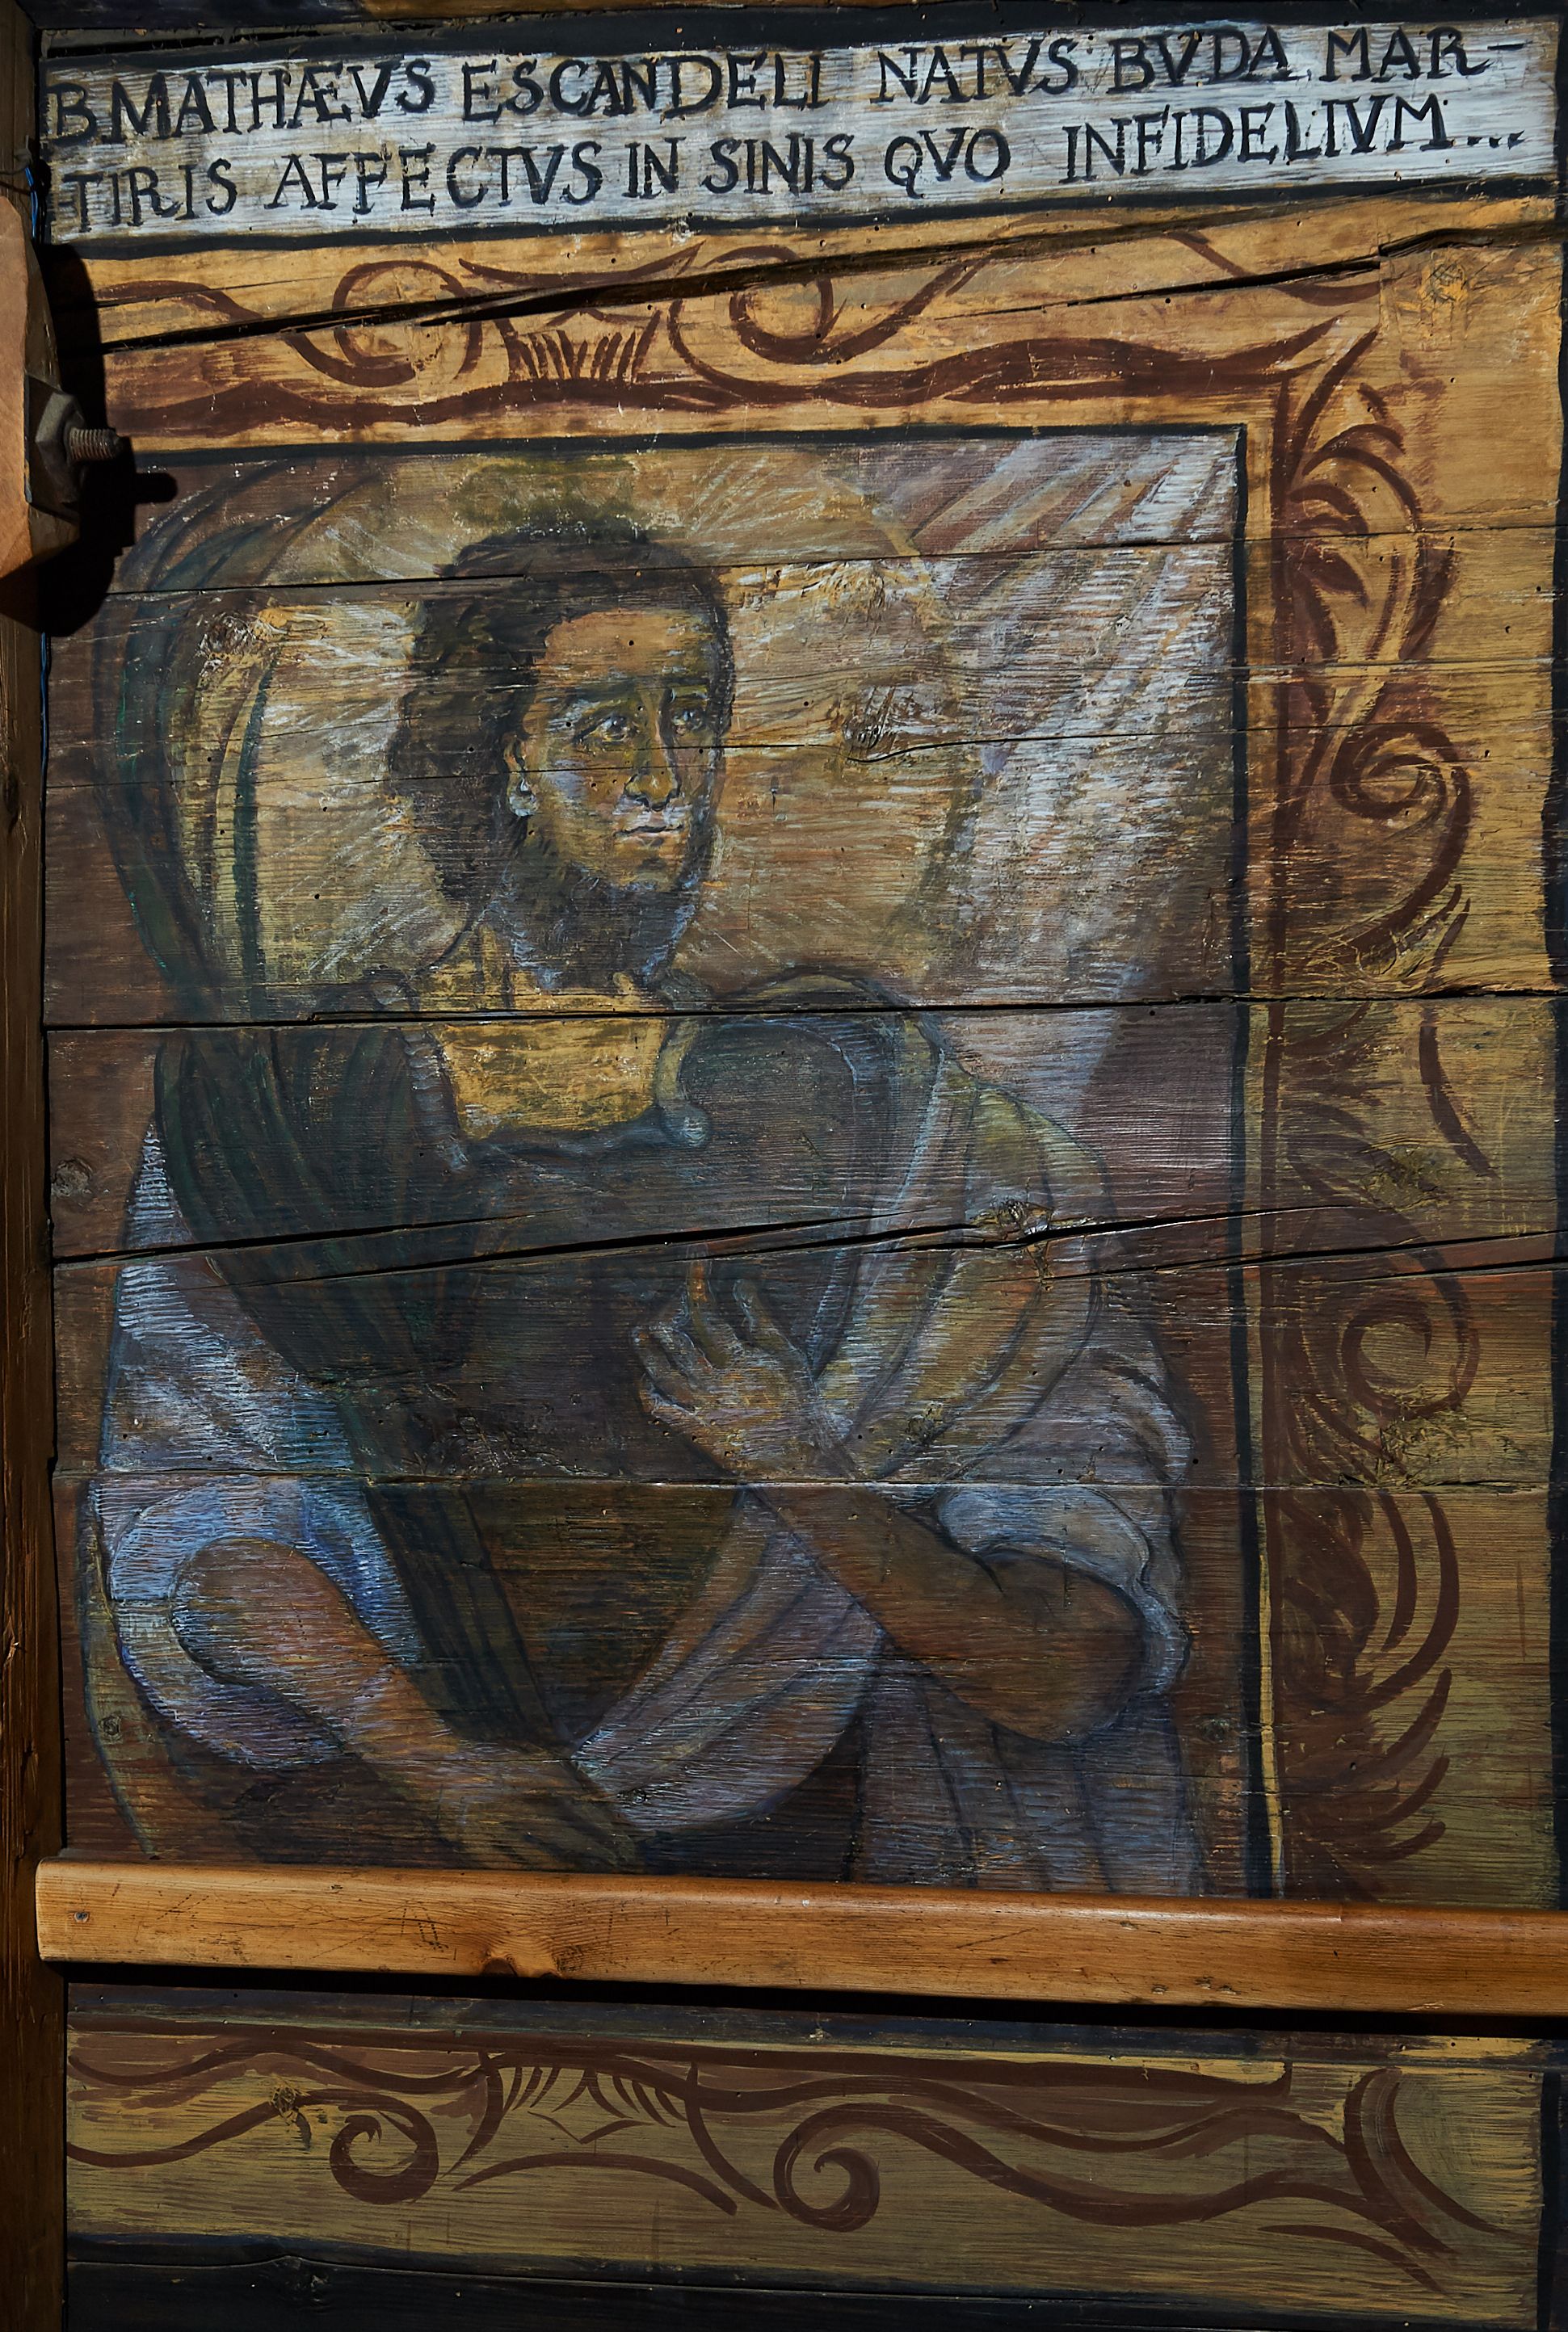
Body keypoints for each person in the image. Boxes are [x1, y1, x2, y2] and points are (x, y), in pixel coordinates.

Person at [88, 519, 1202, 1891]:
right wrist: (438, 1763)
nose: (665, 776)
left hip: (819, 1846)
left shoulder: (861, 1094)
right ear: (497, 760)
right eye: (604, 724)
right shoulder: (294, 1103)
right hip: (420, 1849)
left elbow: (1063, 1659)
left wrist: (789, 1457)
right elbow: (196, 1510)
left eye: (693, 715)